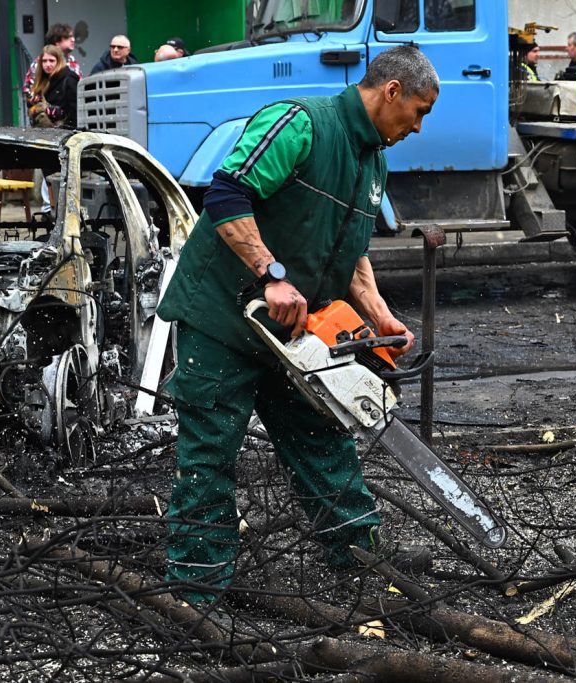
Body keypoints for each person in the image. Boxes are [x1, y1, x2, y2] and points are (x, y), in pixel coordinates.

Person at [156, 45, 438, 605]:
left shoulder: (372, 161)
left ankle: (359, 556)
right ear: (392, 92)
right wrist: (271, 274)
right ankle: (195, 590)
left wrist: (379, 314)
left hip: (290, 333)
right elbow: (227, 193)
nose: (418, 127)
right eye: (419, 112)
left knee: (322, 437)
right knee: (210, 453)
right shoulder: (301, 123)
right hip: (221, 317)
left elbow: (350, 252)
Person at [22, 23, 82, 100]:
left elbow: (80, 86)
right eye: (67, 37)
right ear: (57, 42)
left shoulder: (72, 60)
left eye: (72, 37)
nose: (73, 40)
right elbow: (27, 88)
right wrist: (37, 100)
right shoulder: (39, 62)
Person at [27, 45, 80, 129]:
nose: (47, 64)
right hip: (44, 130)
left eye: (51, 61)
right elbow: (32, 108)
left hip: (65, 129)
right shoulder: (43, 79)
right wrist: (33, 101)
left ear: (59, 61)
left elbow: (75, 111)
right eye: (44, 61)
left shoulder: (69, 79)